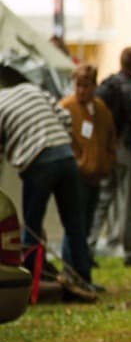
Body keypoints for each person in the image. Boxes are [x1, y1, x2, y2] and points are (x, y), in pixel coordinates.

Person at [0, 61, 97, 300]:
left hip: (38, 162)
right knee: (75, 224)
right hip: (64, 155)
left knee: (31, 226)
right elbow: (64, 117)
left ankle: (28, 286)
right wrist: (58, 141)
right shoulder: (33, 90)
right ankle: (84, 280)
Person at [92, 47, 131, 265]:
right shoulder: (129, 88)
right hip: (127, 149)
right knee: (130, 200)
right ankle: (130, 250)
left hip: (109, 149)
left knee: (103, 199)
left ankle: (89, 245)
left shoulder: (108, 85)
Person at [59, 65, 117, 269]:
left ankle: (82, 269)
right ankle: (71, 270)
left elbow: (110, 138)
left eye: (86, 86)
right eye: (78, 85)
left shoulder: (101, 109)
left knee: (87, 225)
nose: (82, 90)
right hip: (76, 176)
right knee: (74, 225)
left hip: (96, 176)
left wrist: (107, 162)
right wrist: (77, 163)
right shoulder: (66, 107)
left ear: (94, 85)